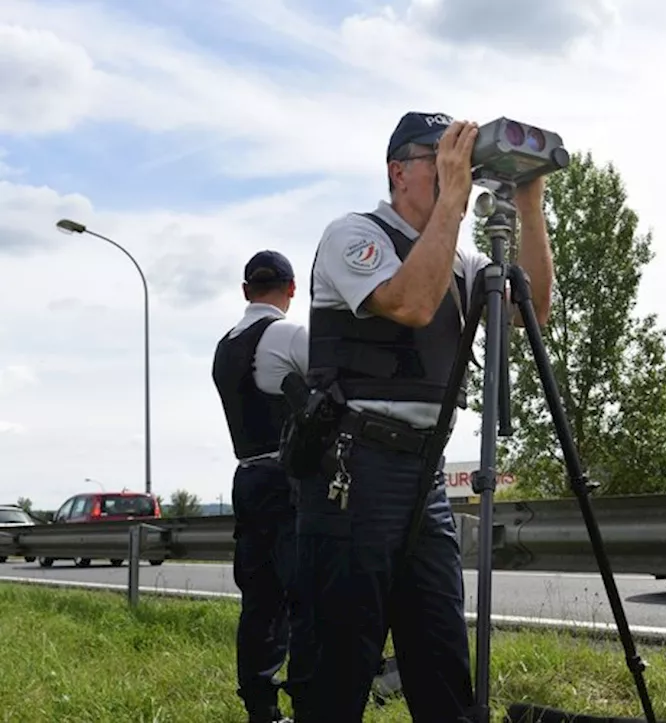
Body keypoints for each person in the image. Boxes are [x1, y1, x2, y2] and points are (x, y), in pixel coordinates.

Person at [288, 112, 553, 722]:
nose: (451, 169)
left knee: (440, 656)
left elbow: (531, 311)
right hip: (353, 471)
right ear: (397, 171)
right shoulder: (353, 235)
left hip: (424, 474)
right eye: (438, 158)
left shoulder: (457, 262)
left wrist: (530, 203)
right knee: (338, 665)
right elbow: (409, 301)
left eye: (458, 157)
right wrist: (455, 203)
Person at [211, 250, 311, 723]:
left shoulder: (225, 344)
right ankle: (312, 699)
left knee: (260, 600)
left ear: (245, 290)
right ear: (292, 289)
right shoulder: (289, 334)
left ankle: (261, 707)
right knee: (306, 595)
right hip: (288, 480)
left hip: (247, 477)